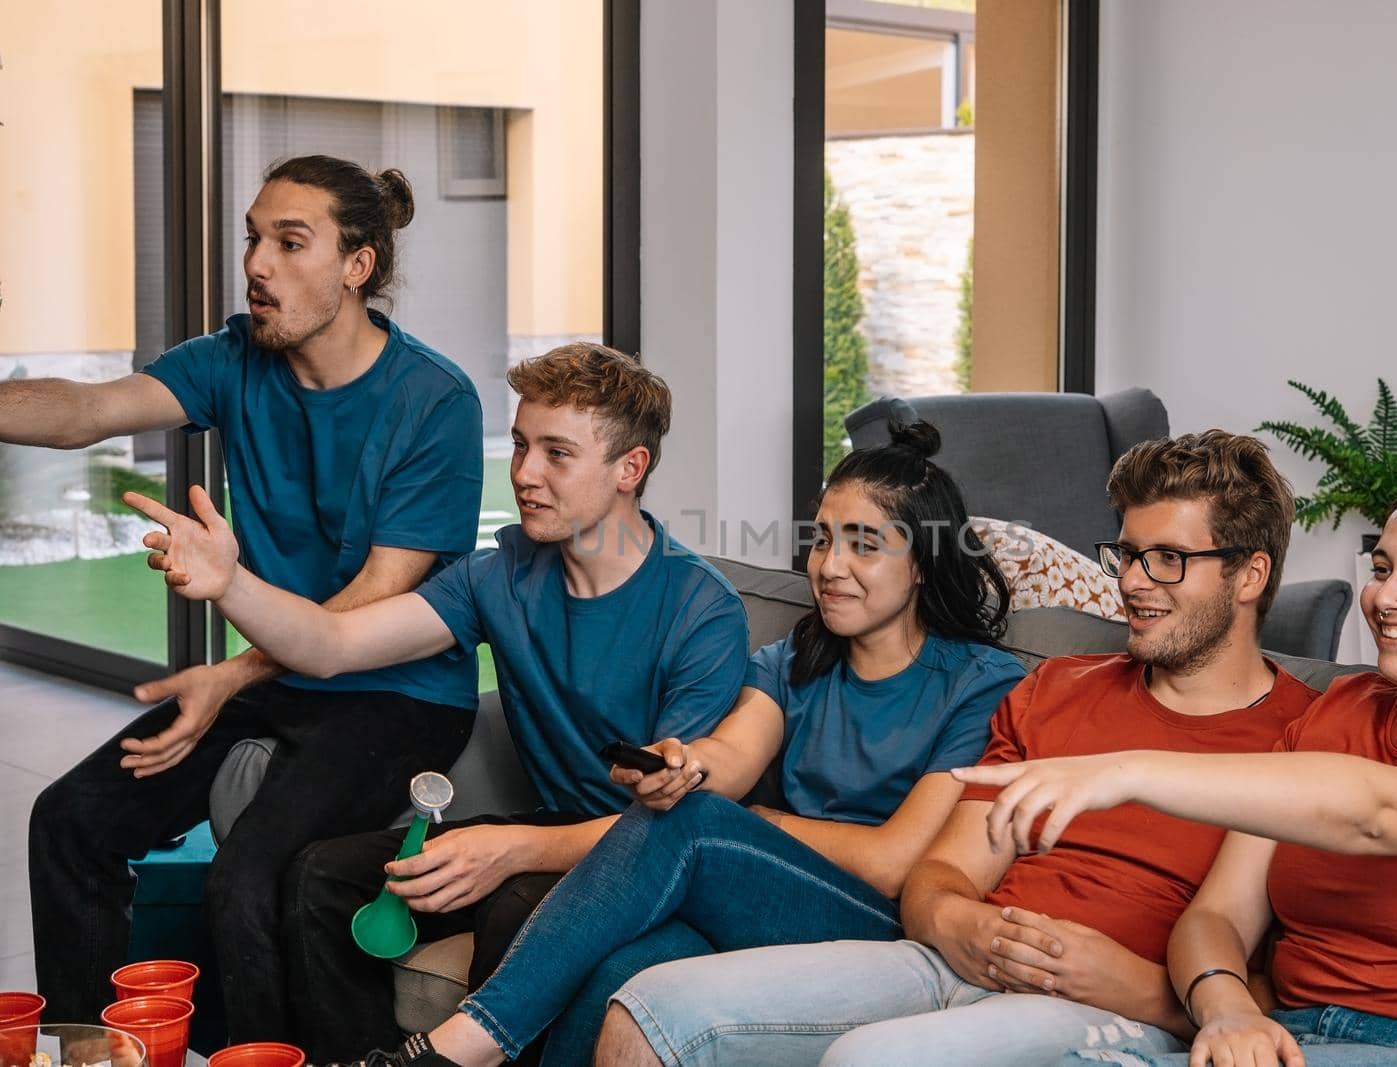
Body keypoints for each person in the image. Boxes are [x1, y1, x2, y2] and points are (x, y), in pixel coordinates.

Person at [593, 429, 1324, 1067]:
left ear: (1250, 573)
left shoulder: (1308, 739)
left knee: (868, 1057)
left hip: (1113, 1007)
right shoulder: (1055, 689)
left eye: (1166, 559)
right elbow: (940, 870)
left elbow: (1294, 982)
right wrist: (958, 920)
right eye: (1127, 554)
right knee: (651, 1006)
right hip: (954, 959)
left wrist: (1142, 986)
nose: (1131, 583)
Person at [315, 420, 1030, 1067]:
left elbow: (892, 862)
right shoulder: (793, 661)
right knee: (618, 972)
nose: (830, 566)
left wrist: (751, 822)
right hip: (761, 898)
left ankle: (456, 1049)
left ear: (925, 564)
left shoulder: (981, 682)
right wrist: (686, 766)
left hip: (882, 929)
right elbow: (732, 756)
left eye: (864, 545)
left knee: (697, 821)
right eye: (822, 538)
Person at [121, 343, 749, 1061]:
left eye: (556, 453)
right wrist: (232, 584)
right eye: (519, 445)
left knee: (519, 905)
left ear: (628, 469)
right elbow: (331, 643)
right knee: (320, 875)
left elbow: (673, 826)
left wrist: (510, 850)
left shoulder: (701, 610)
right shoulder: (499, 575)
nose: (524, 473)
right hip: (555, 826)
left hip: (651, 862)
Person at [17, 155, 484, 1041]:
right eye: (254, 237)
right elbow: (83, 410)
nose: (257, 263)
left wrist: (229, 678)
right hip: (279, 669)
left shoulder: (434, 401)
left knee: (249, 875)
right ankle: (90, 1054)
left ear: (359, 265)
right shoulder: (232, 359)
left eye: (289, 241)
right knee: (71, 819)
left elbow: (373, 600)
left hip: (397, 689)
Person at [961, 478, 1397, 1066]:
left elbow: (1378, 814)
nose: (1388, 596)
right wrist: (1227, 1009)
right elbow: (1218, 917)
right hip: (1293, 1034)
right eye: (1382, 569)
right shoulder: (1343, 711)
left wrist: (1126, 771)